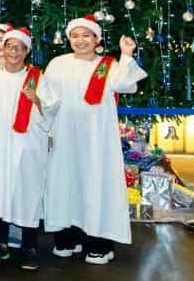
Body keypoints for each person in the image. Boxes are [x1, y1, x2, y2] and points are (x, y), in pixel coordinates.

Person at [41, 15, 145, 265]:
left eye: (86, 35)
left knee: (97, 185)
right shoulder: (58, 64)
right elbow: (47, 99)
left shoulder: (108, 65)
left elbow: (125, 83)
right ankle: (67, 237)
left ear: (97, 39)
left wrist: (126, 54)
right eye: (75, 36)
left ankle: (99, 243)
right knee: (65, 184)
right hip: (65, 136)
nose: (80, 40)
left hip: (98, 140)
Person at [0, 27, 49, 270]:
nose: (14, 52)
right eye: (10, 46)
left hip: (27, 146)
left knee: (26, 193)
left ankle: (29, 246)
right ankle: (1, 243)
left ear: (27, 51)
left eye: (20, 48)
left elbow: (51, 112)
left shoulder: (37, 78)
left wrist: (36, 100)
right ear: (3, 49)